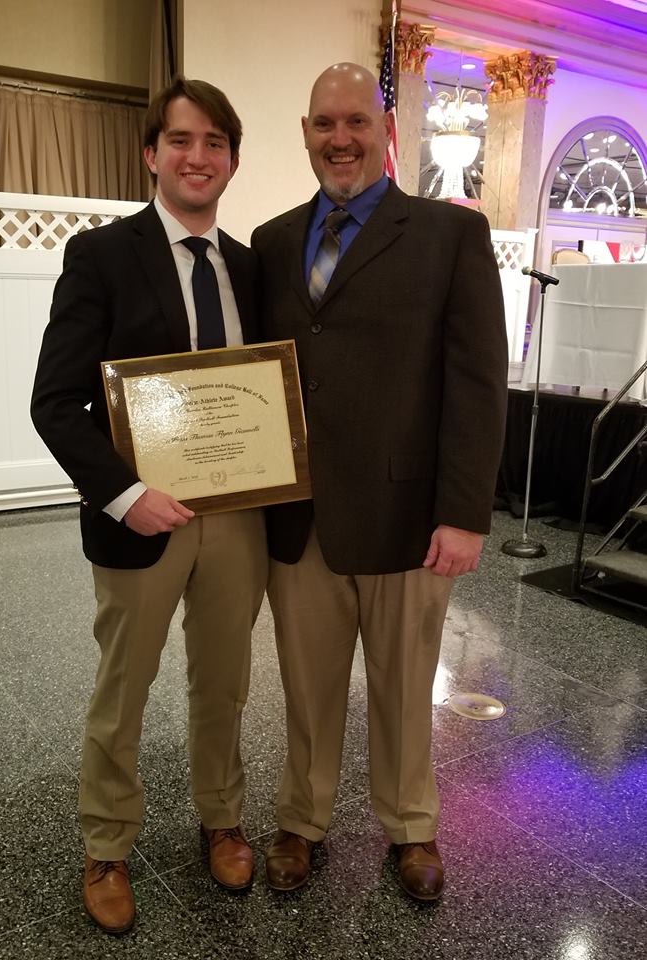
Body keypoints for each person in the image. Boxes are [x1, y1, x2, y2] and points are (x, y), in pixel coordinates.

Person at [251, 62, 508, 901]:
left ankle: (410, 825)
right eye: (325, 123)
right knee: (306, 682)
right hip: (303, 518)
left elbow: (477, 382)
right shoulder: (274, 241)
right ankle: (302, 819)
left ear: (385, 132)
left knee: (404, 684)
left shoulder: (447, 235)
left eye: (357, 121)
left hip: (407, 515)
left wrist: (465, 513)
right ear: (304, 132)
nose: (340, 138)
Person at [31, 77, 267, 934]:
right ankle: (107, 843)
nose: (197, 157)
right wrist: (125, 495)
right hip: (139, 520)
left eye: (213, 142)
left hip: (239, 518)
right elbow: (56, 401)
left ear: (233, 159)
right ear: (151, 154)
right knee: (123, 688)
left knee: (227, 682)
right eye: (180, 141)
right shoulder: (101, 255)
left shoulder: (249, 266)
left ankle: (222, 816)